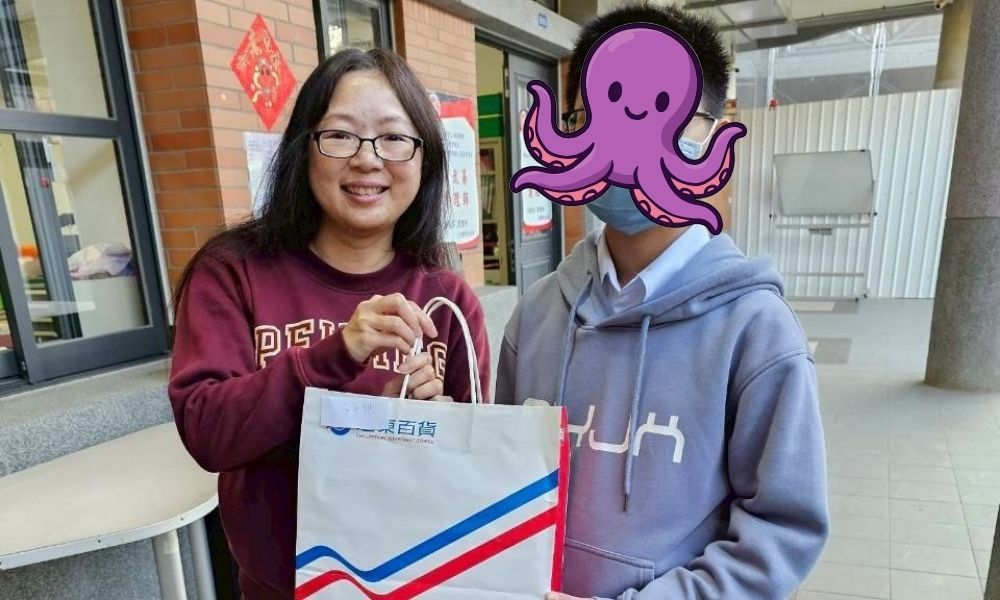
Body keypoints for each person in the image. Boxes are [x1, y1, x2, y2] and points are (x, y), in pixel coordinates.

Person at [495, 4, 829, 599]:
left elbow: (780, 533)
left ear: (710, 132)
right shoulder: (538, 314)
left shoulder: (757, 332)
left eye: (659, 111)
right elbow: (501, 484)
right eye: (596, 113)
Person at [168, 48, 491, 600]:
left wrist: (424, 427)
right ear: (303, 147)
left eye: (394, 138)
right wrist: (332, 356)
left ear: (424, 159)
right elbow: (207, 434)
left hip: (419, 583)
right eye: (340, 135)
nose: (367, 159)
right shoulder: (234, 271)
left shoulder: (447, 300)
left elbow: (479, 470)